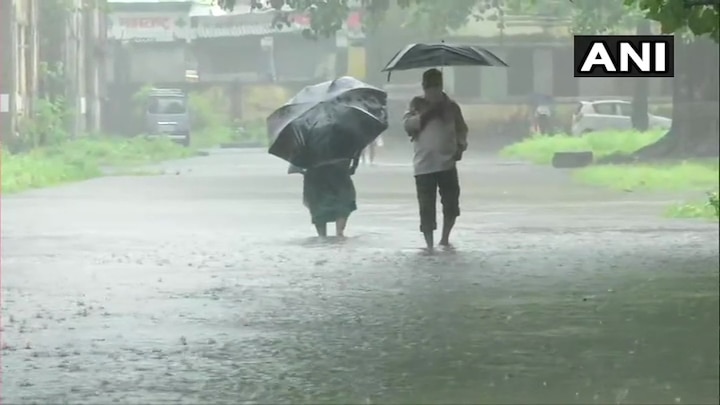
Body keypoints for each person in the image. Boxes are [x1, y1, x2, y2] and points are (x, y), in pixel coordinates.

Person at [402, 68, 468, 250]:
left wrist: (461, 147)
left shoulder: (451, 107)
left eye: (436, 87)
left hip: (447, 163)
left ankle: (445, 239)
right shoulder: (416, 104)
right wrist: (427, 113)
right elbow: (407, 126)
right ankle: (429, 245)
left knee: (451, 204)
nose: (432, 91)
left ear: (441, 86)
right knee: (426, 208)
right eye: (429, 87)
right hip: (424, 165)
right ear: (424, 87)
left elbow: (462, 130)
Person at [302, 154, 361, 238]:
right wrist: (354, 165)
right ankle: (339, 234)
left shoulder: (307, 142)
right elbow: (355, 151)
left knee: (318, 207)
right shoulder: (344, 142)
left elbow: (299, 158)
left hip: (315, 174)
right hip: (339, 172)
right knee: (343, 203)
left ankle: (322, 239)